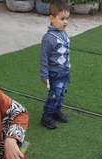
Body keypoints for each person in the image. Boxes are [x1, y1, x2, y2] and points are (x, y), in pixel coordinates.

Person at [39, 0, 71, 129]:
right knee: (54, 94)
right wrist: (44, 75)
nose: (65, 22)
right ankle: (46, 116)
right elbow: (44, 58)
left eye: (67, 18)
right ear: (52, 18)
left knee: (62, 93)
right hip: (54, 73)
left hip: (64, 72)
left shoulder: (64, 33)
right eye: (62, 19)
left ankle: (56, 111)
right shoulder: (48, 38)